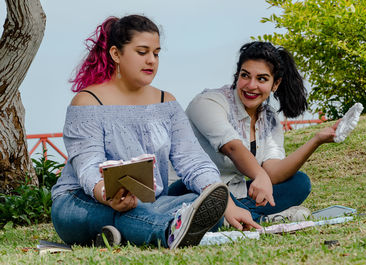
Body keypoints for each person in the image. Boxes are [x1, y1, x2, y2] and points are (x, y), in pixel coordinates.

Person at [51, 14, 236, 249]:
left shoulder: (166, 102)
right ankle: (169, 230)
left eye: (156, 53)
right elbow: (88, 166)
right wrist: (108, 195)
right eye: (142, 52)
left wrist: (225, 200)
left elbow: (193, 160)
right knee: (133, 212)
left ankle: (115, 235)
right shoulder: (87, 102)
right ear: (116, 54)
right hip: (82, 201)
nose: (151, 60)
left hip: (149, 203)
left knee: (198, 202)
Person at [172, 41, 340, 223]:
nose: (251, 85)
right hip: (188, 189)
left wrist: (316, 140)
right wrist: (259, 175)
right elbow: (232, 147)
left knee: (299, 182)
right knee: (208, 197)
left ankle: (239, 216)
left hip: (235, 193)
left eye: (262, 79)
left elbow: (274, 173)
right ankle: (262, 219)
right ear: (237, 76)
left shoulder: (269, 118)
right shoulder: (207, 103)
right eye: (245, 76)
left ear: (275, 84)